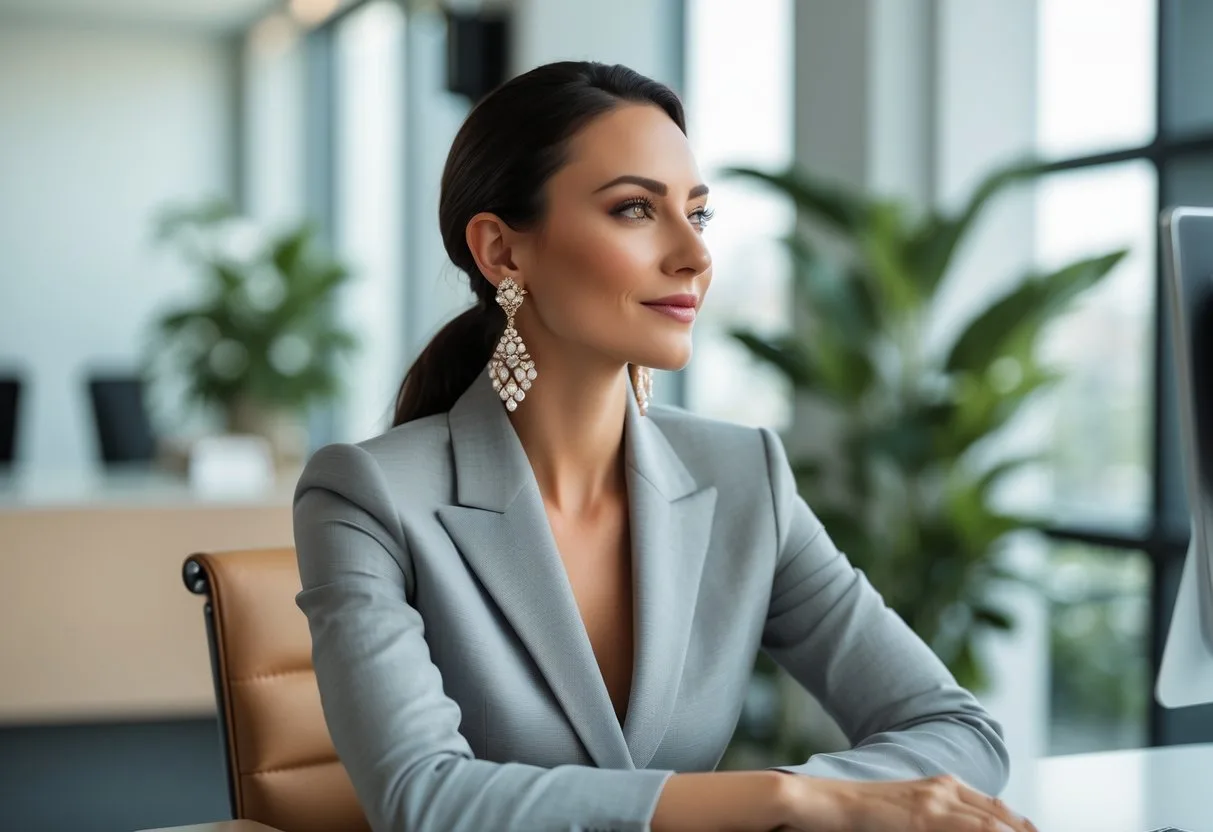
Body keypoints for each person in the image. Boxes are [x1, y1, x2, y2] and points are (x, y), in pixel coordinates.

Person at [293, 61, 1036, 832]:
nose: (693, 255)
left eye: (698, 214)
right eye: (634, 210)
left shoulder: (743, 475)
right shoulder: (366, 496)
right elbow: (426, 801)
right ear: (502, 253)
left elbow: (957, 731)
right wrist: (788, 797)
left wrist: (824, 796)